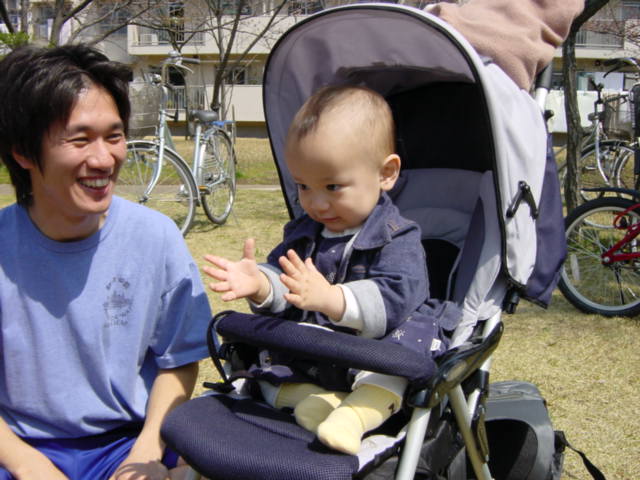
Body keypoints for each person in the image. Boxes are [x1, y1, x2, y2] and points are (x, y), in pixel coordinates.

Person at [204, 85, 456, 455]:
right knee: (262, 361)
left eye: (333, 186)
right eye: (303, 186)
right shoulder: (304, 232)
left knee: (409, 350)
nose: (316, 203)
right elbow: (287, 280)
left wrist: (333, 299)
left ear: (386, 173)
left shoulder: (398, 237)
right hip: (317, 356)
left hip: (375, 352)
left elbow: (395, 300)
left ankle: (353, 416)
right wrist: (262, 284)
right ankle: (309, 400)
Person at [0, 45, 211, 480]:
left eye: (114, 137)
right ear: (23, 152)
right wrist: (26, 465)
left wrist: (147, 451)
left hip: (128, 441)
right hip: (19, 444)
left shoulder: (156, 237)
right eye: (80, 140)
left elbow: (179, 359)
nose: (103, 159)